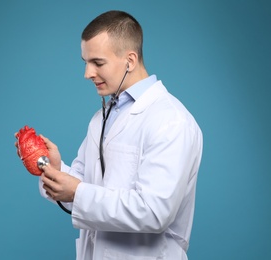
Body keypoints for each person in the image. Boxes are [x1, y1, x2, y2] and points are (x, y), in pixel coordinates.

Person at [17, 10, 203, 260]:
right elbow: (83, 189)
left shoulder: (171, 121)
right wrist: (54, 169)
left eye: (98, 62)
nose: (87, 73)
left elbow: (154, 211)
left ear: (130, 60)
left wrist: (78, 192)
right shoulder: (102, 118)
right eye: (85, 62)